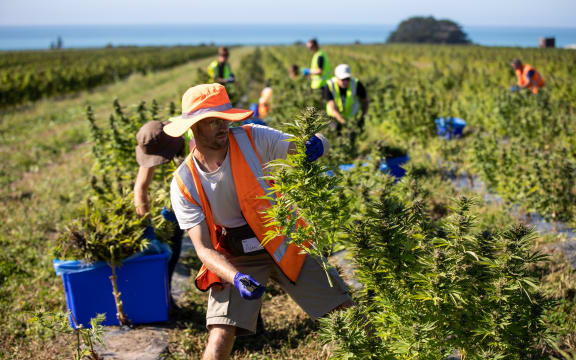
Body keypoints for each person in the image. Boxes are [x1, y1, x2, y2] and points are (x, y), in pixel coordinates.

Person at [164, 83, 352, 359]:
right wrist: (236, 278)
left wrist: (317, 144)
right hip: (236, 254)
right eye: (213, 121)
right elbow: (203, 249)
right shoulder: (184, 182)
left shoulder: (253, 139)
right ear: (193, 127)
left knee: (345, 312)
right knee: (219, 336)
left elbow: (311, 141)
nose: (223, 126)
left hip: (284, 239)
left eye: (225, 118)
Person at [134, 121, 186, 295]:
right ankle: (165, 296)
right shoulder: (155, 140)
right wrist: (146, 226)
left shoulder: (195, 140)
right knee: (173, 238)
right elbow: (140, 188)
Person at [323, 64, 369, 134]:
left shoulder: (357, 84)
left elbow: (365, 101)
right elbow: (333, 108)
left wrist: (362, 116)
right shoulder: (329, 85)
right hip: (333, 117)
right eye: (343, 79)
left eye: (347, 79)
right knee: (335, 135)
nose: (345, 82)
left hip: (351, 119)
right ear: (336, 77)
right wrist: (343, 122)